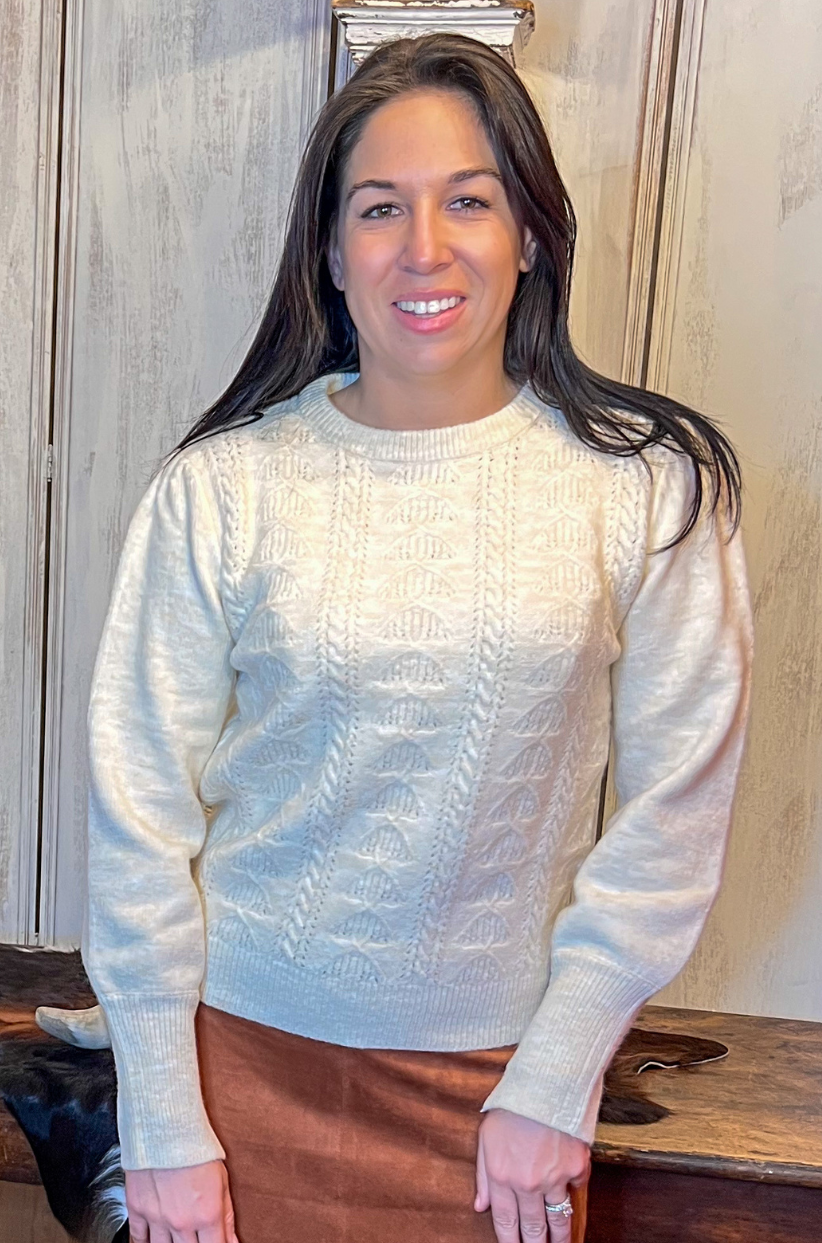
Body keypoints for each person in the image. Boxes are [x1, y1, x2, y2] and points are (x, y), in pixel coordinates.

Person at [81, 32, 753, 1243]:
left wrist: (557, 1076)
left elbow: (674, 815)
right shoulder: (221, 490)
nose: (425, 248)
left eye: (471, 201)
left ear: (531, 233)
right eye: (381, 209)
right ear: (332, 252)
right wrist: (163, 1117)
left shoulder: (649, 491)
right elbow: (138, 813)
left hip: (501, 1093)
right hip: (232, 1072)